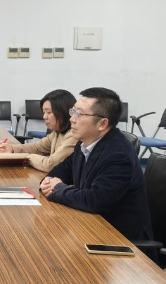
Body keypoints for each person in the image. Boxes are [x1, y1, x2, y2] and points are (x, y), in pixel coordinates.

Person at [40, 87, 152, 241]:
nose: (72, 119)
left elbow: (94, 200)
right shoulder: (85, 143)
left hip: (119, 240)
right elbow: (63, 169)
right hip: (91, 227)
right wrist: (48, 181)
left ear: (102, 124)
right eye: (73, 111)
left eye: (79, 114)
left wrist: (58, 189)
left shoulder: (118, 155)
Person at [0, 89, 78, 172]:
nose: (44, 117)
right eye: (44, 112)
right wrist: (12, 148)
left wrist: (26, 157)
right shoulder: (57, 132)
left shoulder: (74, 135)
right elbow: (37, 147)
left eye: (49, 112)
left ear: (63, 112)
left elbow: (50, 165)